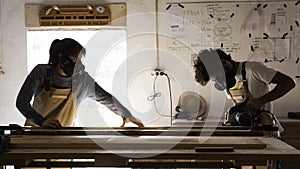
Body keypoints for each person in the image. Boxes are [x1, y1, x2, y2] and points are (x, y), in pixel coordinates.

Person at [16, 38, 144, 128]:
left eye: (79, 60)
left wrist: (126, 115)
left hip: (64, 140)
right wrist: (41, 121)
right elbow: (21, 102)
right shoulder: (41, 72)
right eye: (74, 59)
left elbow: (106, 98)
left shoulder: (82, 79)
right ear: (61, 57)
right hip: (34, 138)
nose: (77, 64)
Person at [193, 48, 295, 129]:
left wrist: (261, 101)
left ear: (224, 62)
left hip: (265, 127)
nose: (220, 80)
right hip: (245, 129)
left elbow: (288, 82)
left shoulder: (252, 69)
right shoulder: (228, 80)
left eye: (220, 76)